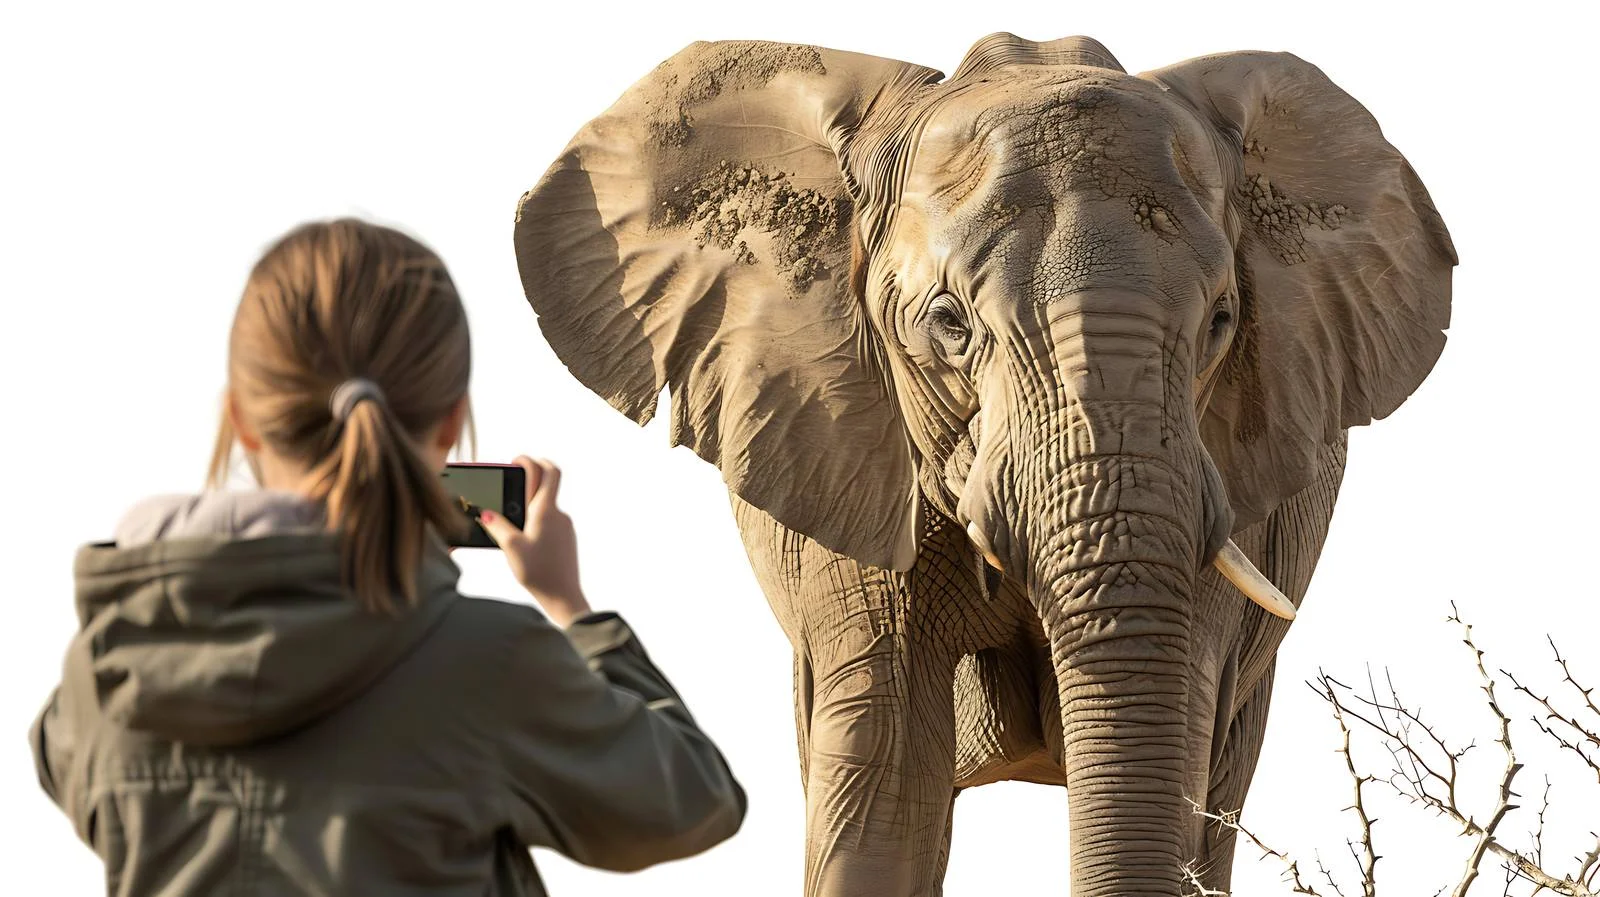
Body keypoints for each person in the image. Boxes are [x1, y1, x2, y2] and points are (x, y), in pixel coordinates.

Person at [28, 218, 746, 896]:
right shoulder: (490, 665)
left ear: (242, 417)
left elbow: (66, 769)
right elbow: (693, 801)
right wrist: (570, 604)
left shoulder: (107, 669)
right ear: (452, 422)